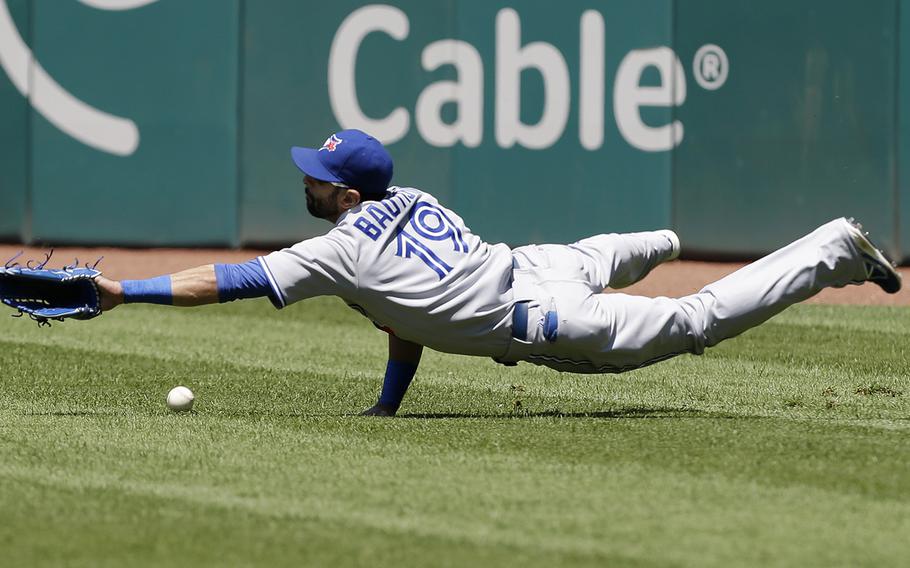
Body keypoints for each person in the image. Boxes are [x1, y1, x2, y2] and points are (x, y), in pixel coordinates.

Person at [94, 129, 903, 416]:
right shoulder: (409, 195)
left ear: (343, 193)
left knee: (692, 321)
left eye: (314, 176)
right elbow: (401, 321)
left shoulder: (336, 250)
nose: (302, 181)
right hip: (542, 263)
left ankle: (831, 249)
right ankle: (662, 236)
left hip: (545, 320)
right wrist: (386, 405)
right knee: (640, 249)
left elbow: (229, 283)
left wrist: (124, 291)